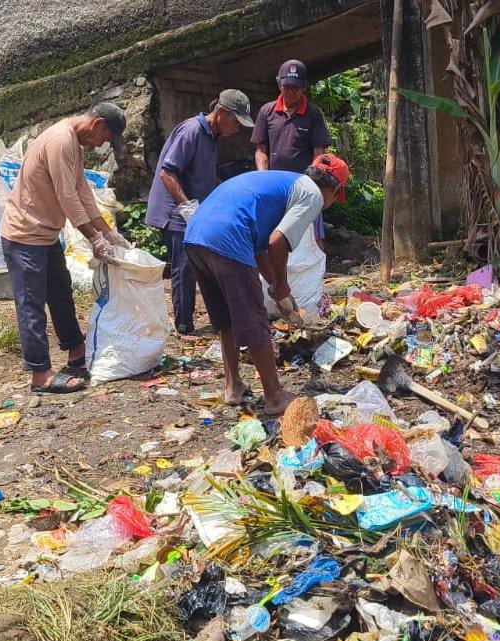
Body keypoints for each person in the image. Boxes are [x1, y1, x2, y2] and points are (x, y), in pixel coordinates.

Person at [183, 154, 349, 415]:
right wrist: (282, 285)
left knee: (227, 318)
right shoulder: (312, 195)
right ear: (335, 189)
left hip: (195, 235)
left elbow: (261, 247)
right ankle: (274, 396)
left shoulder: (280, 183)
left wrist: (275, 285)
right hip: (228, 237)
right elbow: (277, 241)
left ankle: (233, 386)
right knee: (254, 319)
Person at [0, 102, 130, 393]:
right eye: (105, 138)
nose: (100, 145)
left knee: (61, 293)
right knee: (31, 305)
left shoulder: (73, 145)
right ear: (97, 124)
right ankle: (41, 375)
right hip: (25, 235)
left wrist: (108, 233)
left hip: (46, 233)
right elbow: (67, 197)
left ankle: (76, 350)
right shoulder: (61, 141)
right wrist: (94, 238)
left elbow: (83, 193)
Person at [145, 89, 254, 336]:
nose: (237, 128)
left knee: (197, 264)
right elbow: (167, 173)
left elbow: (203, 174)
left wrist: (226, 191)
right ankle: (184, 326)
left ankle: (205, 319)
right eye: (236, 121)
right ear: (221, 112)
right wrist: (188, 208)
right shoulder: (191, 131)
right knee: (184, 267)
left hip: (193, 209)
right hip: (176, 212)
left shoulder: (212, 136)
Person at [251, 59, 332, 173]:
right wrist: (263, 174)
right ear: (280, 85)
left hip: (301, 179)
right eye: (287, 87)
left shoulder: (313, 114)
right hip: (274, 178)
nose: (290, 92)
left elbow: (318, 152)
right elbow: (261, 150)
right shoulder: (266, 111)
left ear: (304, 87)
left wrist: (313, 177)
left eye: (295, 88)